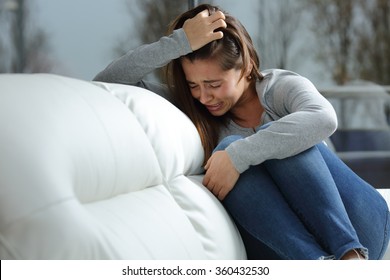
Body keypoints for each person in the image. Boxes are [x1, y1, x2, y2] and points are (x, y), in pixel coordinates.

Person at [94, 4, 390, 260]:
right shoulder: (190, 107)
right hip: (296, 251)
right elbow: (108, 81)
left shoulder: (279, 88)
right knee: (229, 148)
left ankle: (350, 258)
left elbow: (324, 118)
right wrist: (179, 43)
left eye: (213, 84)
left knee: (259, 139)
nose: (204, 97)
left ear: (246, 67)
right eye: (194, 85)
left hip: (359, 227)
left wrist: (237, 156)